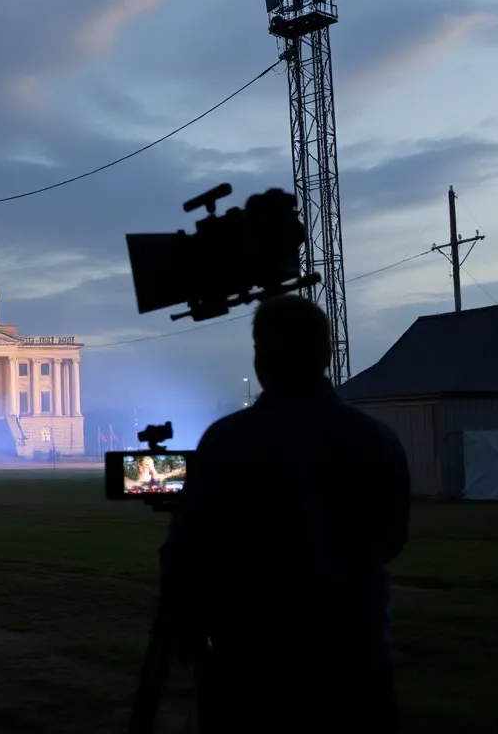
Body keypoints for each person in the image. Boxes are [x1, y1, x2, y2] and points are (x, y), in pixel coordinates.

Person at [157, 295, 410, 733]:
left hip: (252, 662)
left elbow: (185, 552)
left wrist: (189, 634)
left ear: (260, 357)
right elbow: (393, 539)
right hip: (354, 655)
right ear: (327, 354)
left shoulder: (228, 440)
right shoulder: (377, 438)